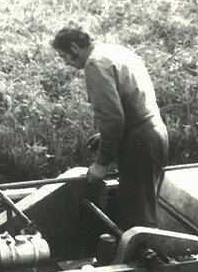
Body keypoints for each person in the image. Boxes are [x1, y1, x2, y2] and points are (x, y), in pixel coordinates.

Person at [52, 26, 169, 229]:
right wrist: (106, 136)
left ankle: (142, 257)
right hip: (153, 132)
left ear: (74, 47)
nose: (66, 63)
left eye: (65, 56)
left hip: (139, 141)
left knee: (138, 217)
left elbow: (112, 118)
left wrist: (101, 163)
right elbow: (131, 102)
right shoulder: (116, 51)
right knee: (144, 205)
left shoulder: (95, 64)